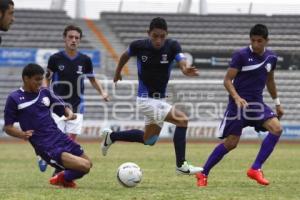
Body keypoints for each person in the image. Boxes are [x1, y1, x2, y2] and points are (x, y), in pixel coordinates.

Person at [101, 17, 203, 175]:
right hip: (145, 100)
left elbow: (181, 60)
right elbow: (124, 56)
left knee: (149, 140)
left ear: (166, 35)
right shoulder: (139, 46)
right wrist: (117, 72)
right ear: (148, 33)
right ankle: (181, 165)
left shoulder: (172, 46)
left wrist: (185, 69)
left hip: (160, 100)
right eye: (155, 36)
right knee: (182, 120)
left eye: (162, 36)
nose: (158, 40)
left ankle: (112, 136)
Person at [195, 24, 284, 187]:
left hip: (257, 104)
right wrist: (236, 97)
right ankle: (203, 172)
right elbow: (227, 80)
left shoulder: (271, 57)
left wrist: (277, 103)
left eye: (260, 41)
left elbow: (270, 80)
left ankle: (255, 169)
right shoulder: (241, 55)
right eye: (253, 40)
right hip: (238, 105)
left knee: (277, 129)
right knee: (231, 143)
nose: (256, 44)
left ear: (266, 40)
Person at [3, 63, 92, 188]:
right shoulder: (14, 98)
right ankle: (61, 177)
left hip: (60, 137)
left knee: (89, 163)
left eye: (41, 79)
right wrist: (21, 134)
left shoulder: (45, 92)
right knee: (84, 166)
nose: (40, 82)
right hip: (46, 146)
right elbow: (8, 127)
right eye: (37, 79)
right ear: (26, 78)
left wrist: (69, 113)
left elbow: (63, 107)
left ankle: (63, 179)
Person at [45, 24, 109, 141]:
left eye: (76, 38)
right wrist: (45, 95)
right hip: (58, 105)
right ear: (64, 38)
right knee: (56, 139)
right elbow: (47, 78)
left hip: (77, 105)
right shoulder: (55, 59)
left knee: (70, 141)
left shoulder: (85, 60)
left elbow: (93, 79)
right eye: (70, 37)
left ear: (80, 40)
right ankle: (45, 159)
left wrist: (102, 92)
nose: (73, 40)